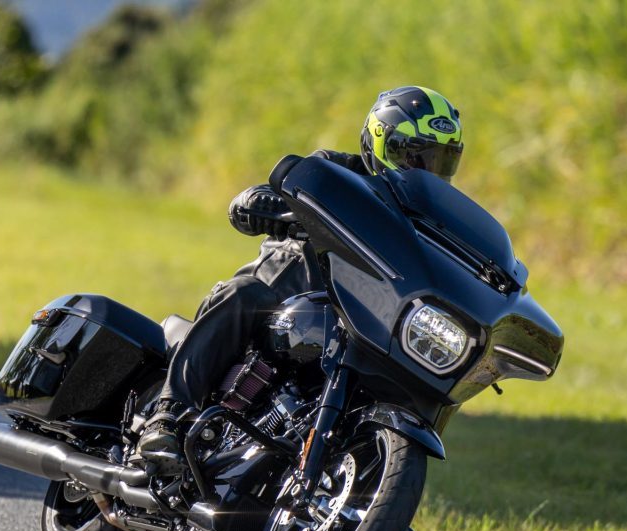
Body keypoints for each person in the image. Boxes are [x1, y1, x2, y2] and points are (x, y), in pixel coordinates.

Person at [134, 85, 464, 470]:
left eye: (439, 160)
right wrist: (261, 202)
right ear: (379, 141)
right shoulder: (335, 174)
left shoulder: (433, 225)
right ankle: (168, 416)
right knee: (244, 295)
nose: (423, 169)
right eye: (410, 154)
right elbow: (278, 189)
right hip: (284, 299)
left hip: (358, 323)